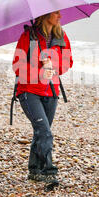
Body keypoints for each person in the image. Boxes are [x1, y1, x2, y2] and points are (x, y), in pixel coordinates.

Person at [12, 10, 73, 187]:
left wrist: (53, 65)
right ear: (46, 15)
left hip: (52, 92)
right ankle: (49, 172)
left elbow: (68, 62)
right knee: (45, 132)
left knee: (41, 132)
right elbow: (17, 67)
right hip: (29, 91)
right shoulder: (28, 36)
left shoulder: (61, 36)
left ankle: (34, 170)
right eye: (56, 13)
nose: (60, 16)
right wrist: (40, 70)